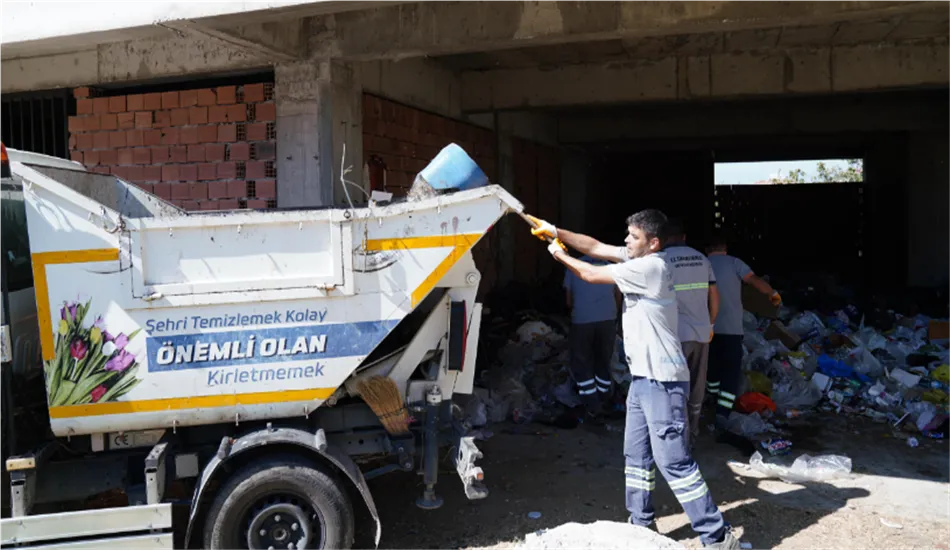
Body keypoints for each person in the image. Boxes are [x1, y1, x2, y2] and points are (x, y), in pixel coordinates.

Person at [527, 211, 740, 549]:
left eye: (632, 236)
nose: (626, 241)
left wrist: (557, 252)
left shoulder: (651, 268)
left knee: (674, 460)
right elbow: (595, 247)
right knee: (637, 455)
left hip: (663, 380)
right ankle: (641, 523)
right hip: (643, 379)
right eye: (626, 235)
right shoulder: (640, 256)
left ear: (653, 242)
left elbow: (589, 271)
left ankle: (715, 534)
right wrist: (556, 231)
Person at [705, 232, 781, 423]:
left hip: (707, 328)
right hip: (732, 329)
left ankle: (712, 397)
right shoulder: (734, 263)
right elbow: (754, 280)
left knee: (711, 368)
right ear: (725, 248)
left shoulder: (702, 263)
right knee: (730, 371)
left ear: (707, 249)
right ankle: (723, 412)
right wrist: (772, 293)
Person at [661, 219, 719, 445]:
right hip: (702, 333)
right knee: (697, 382)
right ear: (684, 237)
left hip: (674, 335)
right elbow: (714, 296)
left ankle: (675, 430)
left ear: (664, 239)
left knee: (673, 383)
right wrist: (711, 324)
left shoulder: (662, 260)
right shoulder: (702, 259)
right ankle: (692, 428)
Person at [563, 253, 619, 419]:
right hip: (608, 319)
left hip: (582, 320)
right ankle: (605, 399)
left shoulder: (573, 266)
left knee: (582, 361)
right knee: (603, 359)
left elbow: (568, 301)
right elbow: (618, 297)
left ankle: (592, 404)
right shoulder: (611, 267)